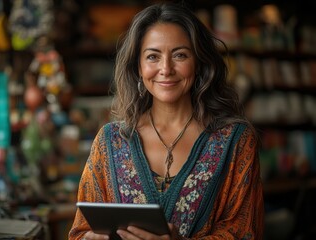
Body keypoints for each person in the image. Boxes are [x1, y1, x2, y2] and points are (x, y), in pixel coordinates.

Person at [69, 2, 264, 240]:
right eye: (153, 56)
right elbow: (80, 232)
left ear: (199, 62)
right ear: (138, 67)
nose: (166, 68)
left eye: (180, 55)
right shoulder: (110, 141)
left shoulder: (236, 141)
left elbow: (246, 233)